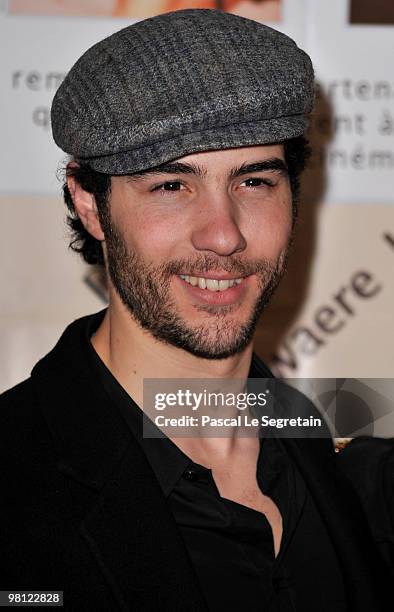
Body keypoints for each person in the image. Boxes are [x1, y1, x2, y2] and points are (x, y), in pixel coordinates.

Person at [0, 9, 390, 611]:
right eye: (171, 187)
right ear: (90, 204)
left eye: (254, 181)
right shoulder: (13, 481)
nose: (223, 235)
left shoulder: (339, 469)